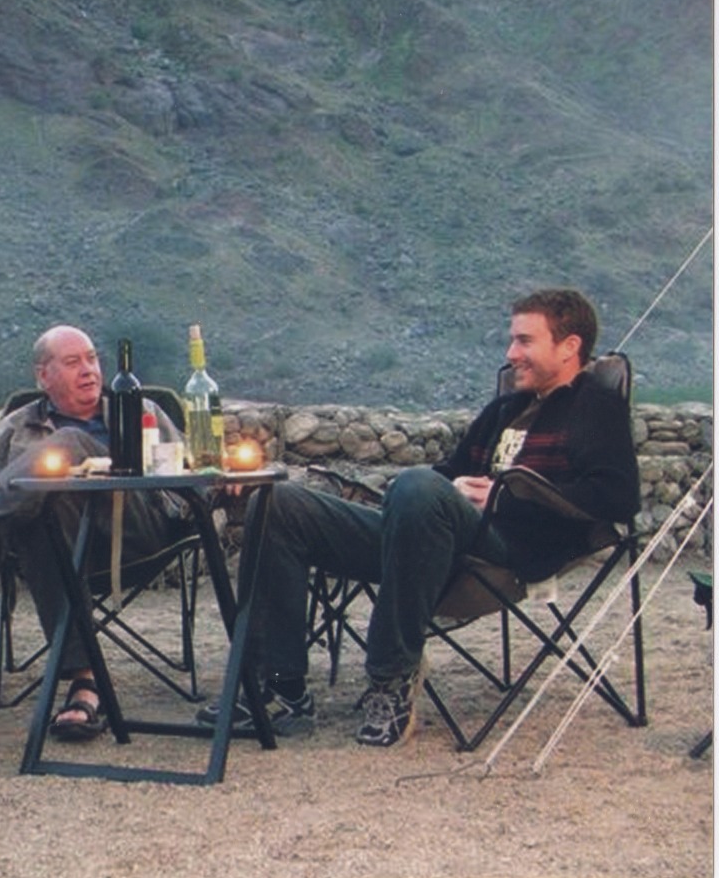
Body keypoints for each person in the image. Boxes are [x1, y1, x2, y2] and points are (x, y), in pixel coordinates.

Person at [196, 288, 640, 747]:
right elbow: (449, 473)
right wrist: (445, 490)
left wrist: (502, 499)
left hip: (506, 552)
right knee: (283, 502)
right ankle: (277, 686)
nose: (511, 354)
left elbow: (618, 497)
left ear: (569, 346)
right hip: (428, 537)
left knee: (418, 485)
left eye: (525, 341)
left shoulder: (596, 408)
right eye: (512, 341)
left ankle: (391, 681)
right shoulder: (506, 409)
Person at [0, 325, 190, 741]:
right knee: (40, 519)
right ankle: (85, 684)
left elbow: (188, 474)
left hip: (136, 533)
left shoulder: (139, 410)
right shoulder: (15, 427)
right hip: (59, 546)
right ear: (43, 376)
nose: (89, 370)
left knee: (68, 442)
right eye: (72, 363)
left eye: (92, 358)